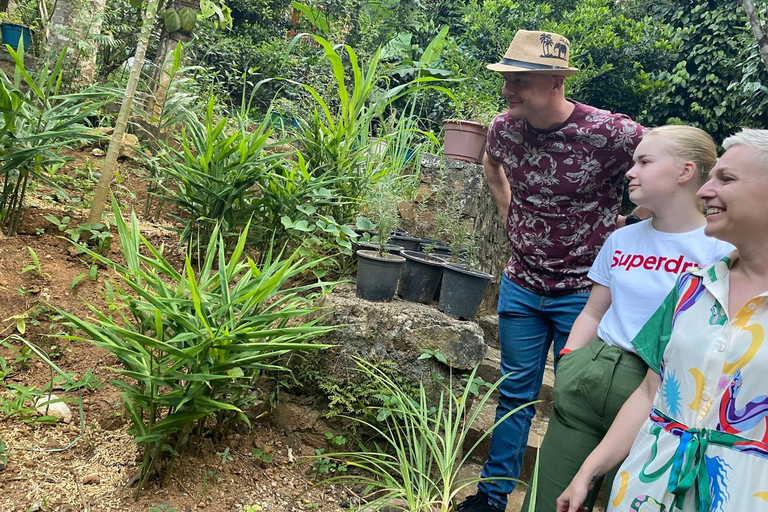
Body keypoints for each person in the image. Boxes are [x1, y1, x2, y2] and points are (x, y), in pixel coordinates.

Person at [457, 29, 645, 512]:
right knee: (514, 394)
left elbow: (670, 170)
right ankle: (492, 497)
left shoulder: (612, 133)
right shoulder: (503, 128)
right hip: (521, 284)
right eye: (507, 78)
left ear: (557, 79)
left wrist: (630, 227)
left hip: (585, 294)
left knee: (573, 402)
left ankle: (556, 498)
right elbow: (491, 165)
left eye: (520, 80)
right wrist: (507, 213)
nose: (508, 89)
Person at [522, 125, 734, 512]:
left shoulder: (722, 250)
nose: (630, 171)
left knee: (632, 501)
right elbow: (593, 310)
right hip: (591, 374)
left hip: (661, 393)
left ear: (685, 172)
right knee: (549, 501)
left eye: (644, 161)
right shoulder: (621, 240)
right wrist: (569, 361)